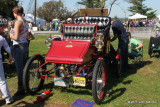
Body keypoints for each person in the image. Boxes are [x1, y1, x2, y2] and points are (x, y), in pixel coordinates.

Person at [10, 6, 29, 96]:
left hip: (18, 45)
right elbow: (27, 34)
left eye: (14, 13)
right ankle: (26, 85)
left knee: (19, 68)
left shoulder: (17, 22)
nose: (13, 14)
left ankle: (20, 88)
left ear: (17, 13)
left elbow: (16, 37)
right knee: (25, 67)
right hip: (25, 44)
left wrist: (10, 35)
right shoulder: (25, 21)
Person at [0, 35, 14, 104]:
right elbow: (8, 48)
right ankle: (8, 98)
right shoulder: (1, 38)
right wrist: (10, 57)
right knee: (2, 80)